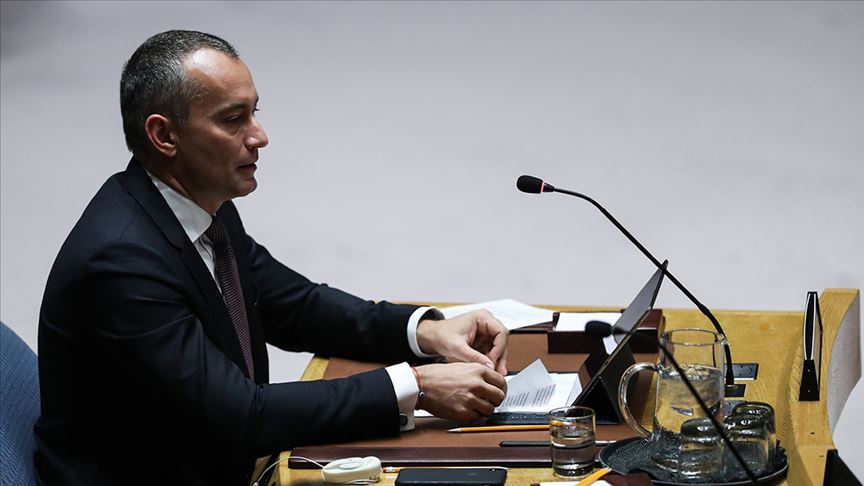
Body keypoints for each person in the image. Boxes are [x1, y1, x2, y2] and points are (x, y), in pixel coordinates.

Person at [34, 30, 509, 486]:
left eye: (254, 113)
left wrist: (426, 331)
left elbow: (297, 308)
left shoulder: (202, 207)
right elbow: (240, 416)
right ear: (164, 135)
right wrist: (417, 386)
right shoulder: (121, 263)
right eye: (232, 120)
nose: (259, 136)